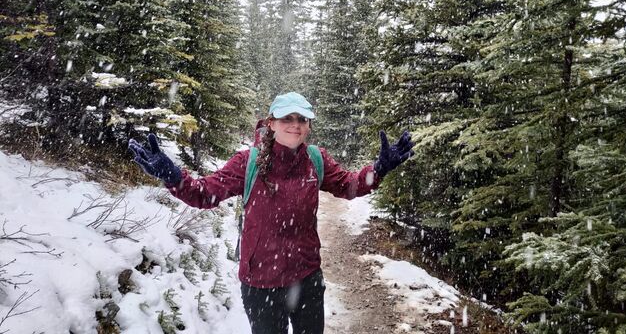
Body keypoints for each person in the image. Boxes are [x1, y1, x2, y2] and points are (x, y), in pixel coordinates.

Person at [128, 92, 414, 334]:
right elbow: (204, 194)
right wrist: (173, 177)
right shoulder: (247, 162)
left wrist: (377, 170)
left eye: (302, 119)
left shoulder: (316, 159)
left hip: (307, 277)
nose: (295, 125)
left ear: (309, 126)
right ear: (271, 123)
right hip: (261, 283)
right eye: (287, 118)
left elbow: (349, 186)